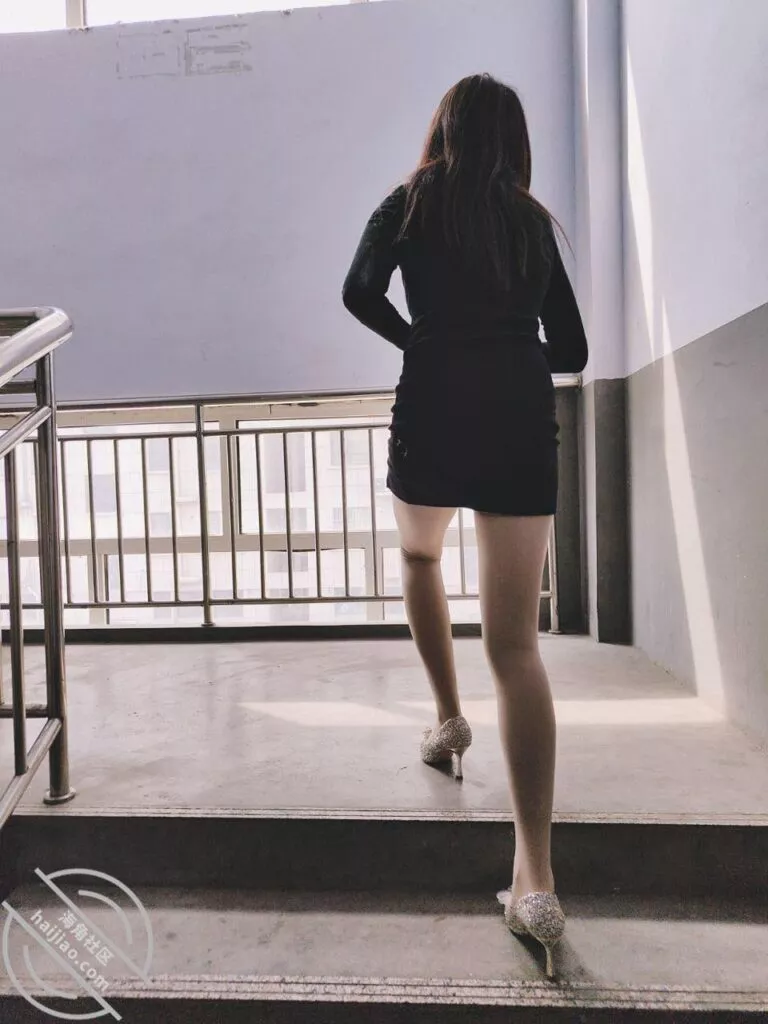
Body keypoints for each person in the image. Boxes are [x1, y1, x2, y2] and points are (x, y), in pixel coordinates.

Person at [341, 73, 588, 979]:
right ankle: (537, 882)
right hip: (519, 418)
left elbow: (358, 292)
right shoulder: (529, 222)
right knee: (517, 646)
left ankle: (447, 721)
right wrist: (509, 345)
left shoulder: (408, 203)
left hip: (434, 407)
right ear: (514, 141)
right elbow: (574, 350)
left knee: (419, 554)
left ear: (441, 129)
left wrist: (423, 338)